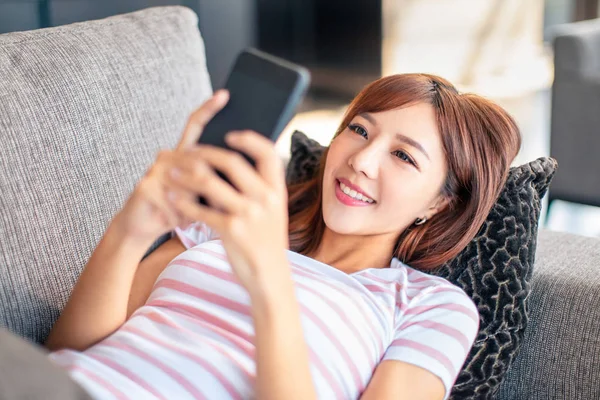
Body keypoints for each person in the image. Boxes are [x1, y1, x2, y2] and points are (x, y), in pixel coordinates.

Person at [45, 73, 521, 400]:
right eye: (358, 129)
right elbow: (68, 350)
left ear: (438, 203)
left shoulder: (429, 306)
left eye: (404, 157)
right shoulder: (223, 220)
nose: (361, 160)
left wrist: (268, 280)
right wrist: (130, 230)